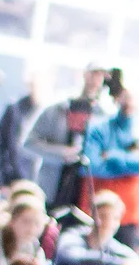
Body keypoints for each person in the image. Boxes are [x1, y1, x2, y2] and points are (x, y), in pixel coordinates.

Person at [23, 61, 107, 212]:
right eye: (94, 74)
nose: (96, 80)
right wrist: (61, 153)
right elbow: (29, 143)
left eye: (100, 75)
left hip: (83, 189)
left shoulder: (103, 116)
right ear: (84, 75)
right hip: (52, 187)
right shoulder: (57, 108)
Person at [83, 80, 139, 249]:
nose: (129, 103)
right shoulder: (98, 129)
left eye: (134, 98)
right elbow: (92, 166)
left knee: (126, 260)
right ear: (117, 98)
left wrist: (111, 155)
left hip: (130, 213)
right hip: (97, 210)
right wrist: (131, 161)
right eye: (126, 97)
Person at [0, 68, 49, 188]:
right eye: (34, 84)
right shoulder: (14, 110)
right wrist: (0, 180)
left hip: (40, 180)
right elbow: (1, 146)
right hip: (13, 178)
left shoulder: (51, 114)